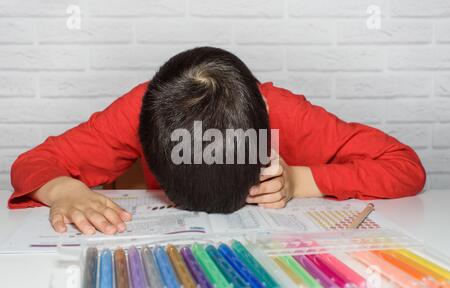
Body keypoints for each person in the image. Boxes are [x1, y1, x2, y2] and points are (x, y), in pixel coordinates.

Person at [8, 47, 426, 235]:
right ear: (146, 133)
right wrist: (63, 188)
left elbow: (404, 165)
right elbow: (34, 162)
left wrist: (300, 181)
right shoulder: (139, 109)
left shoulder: (283, 110)